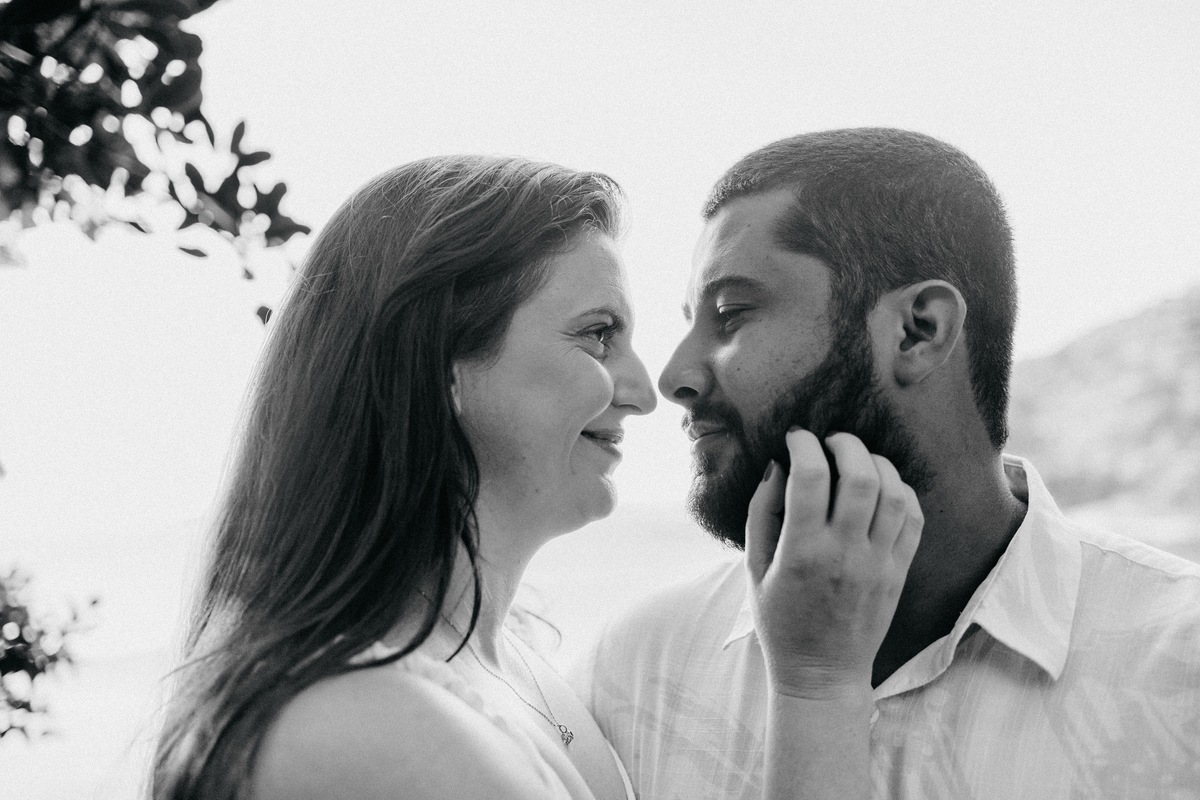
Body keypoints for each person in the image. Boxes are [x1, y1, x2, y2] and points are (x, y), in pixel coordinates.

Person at [150, 154, 923, 800]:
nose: (645, 389)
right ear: (439, 368)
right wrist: (820, 685)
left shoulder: (512, 668)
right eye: (596, 335)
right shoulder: (359, 721)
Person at [574, 128, 1200, 799]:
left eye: (732, 314)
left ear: (918, 330)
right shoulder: (638, 669)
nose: (673, 376)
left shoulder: (1181, 664)